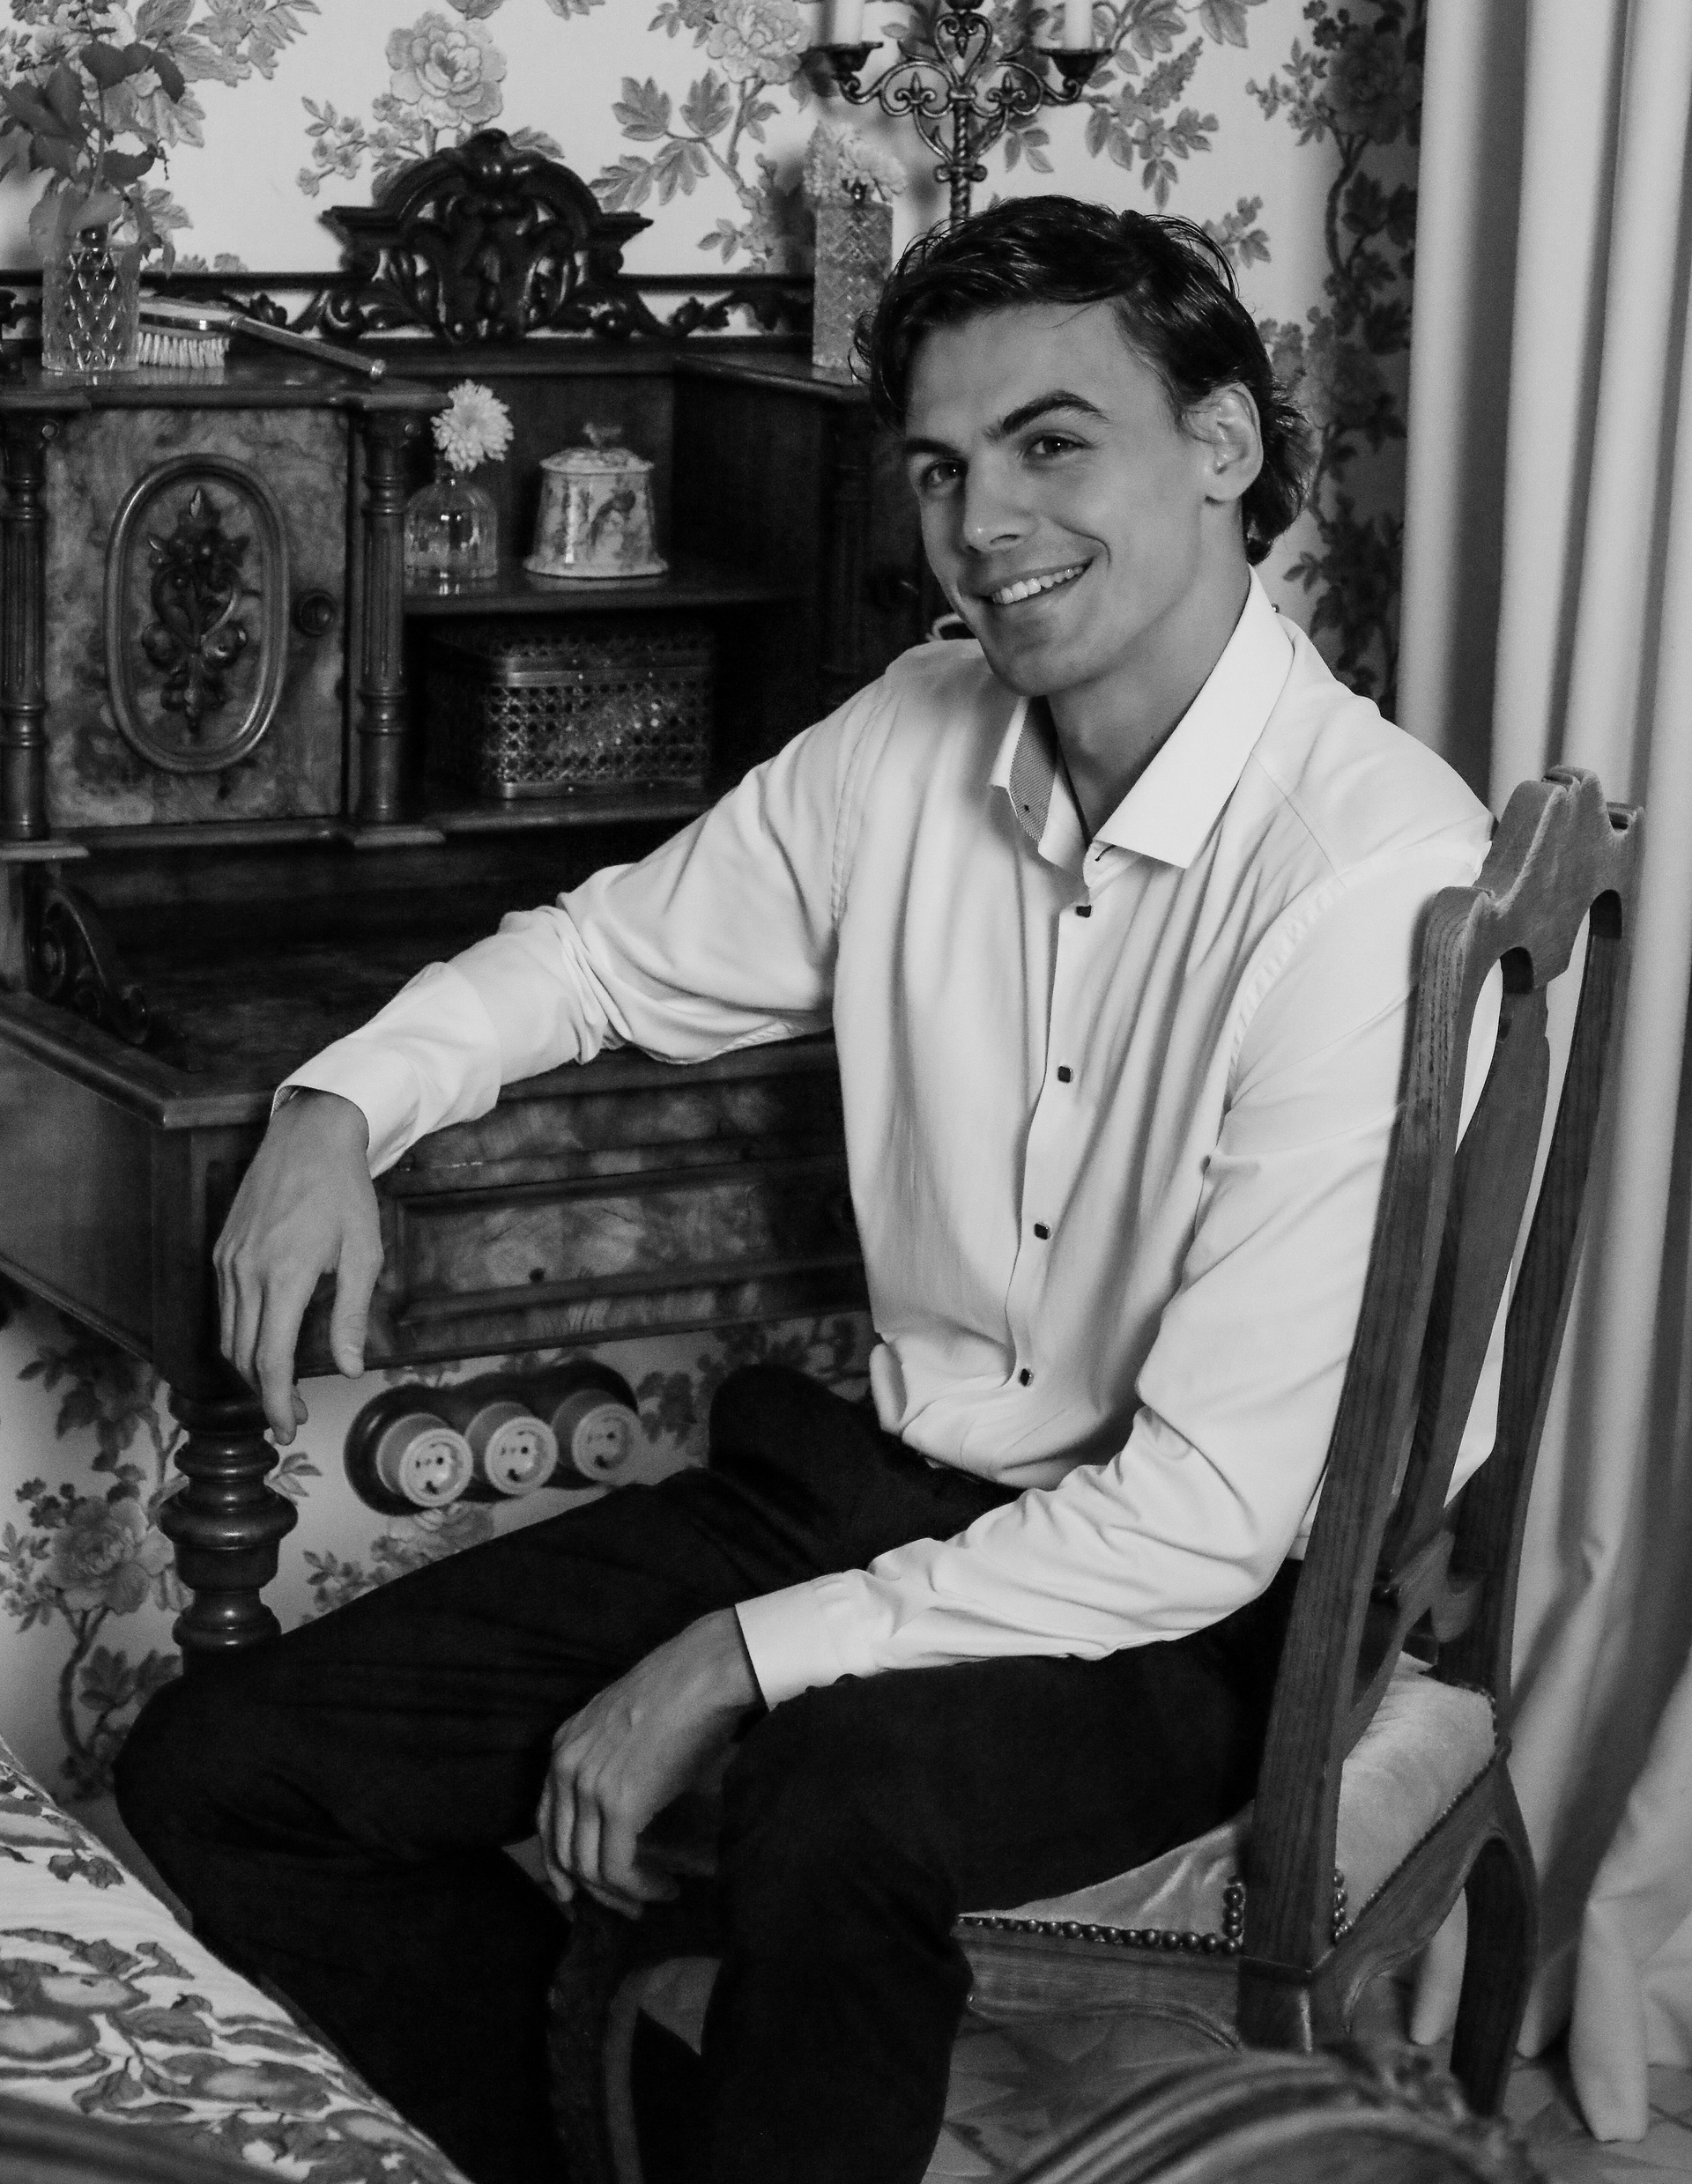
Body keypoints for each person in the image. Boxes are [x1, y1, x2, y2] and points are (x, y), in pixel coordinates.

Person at [115, 197, 1496, 2184]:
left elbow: (1201, 1516)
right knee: (229, 1769)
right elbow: (599, 956)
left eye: (1050, 444)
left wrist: (739, 1655)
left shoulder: (1369, 872)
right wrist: (338, 1105)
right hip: (885, 1484)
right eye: (939, 468)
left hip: (1207, 1606)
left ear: (1222, 445)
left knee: (835, 1803)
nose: (983, 524)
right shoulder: (917, 732)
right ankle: (635, 2147)